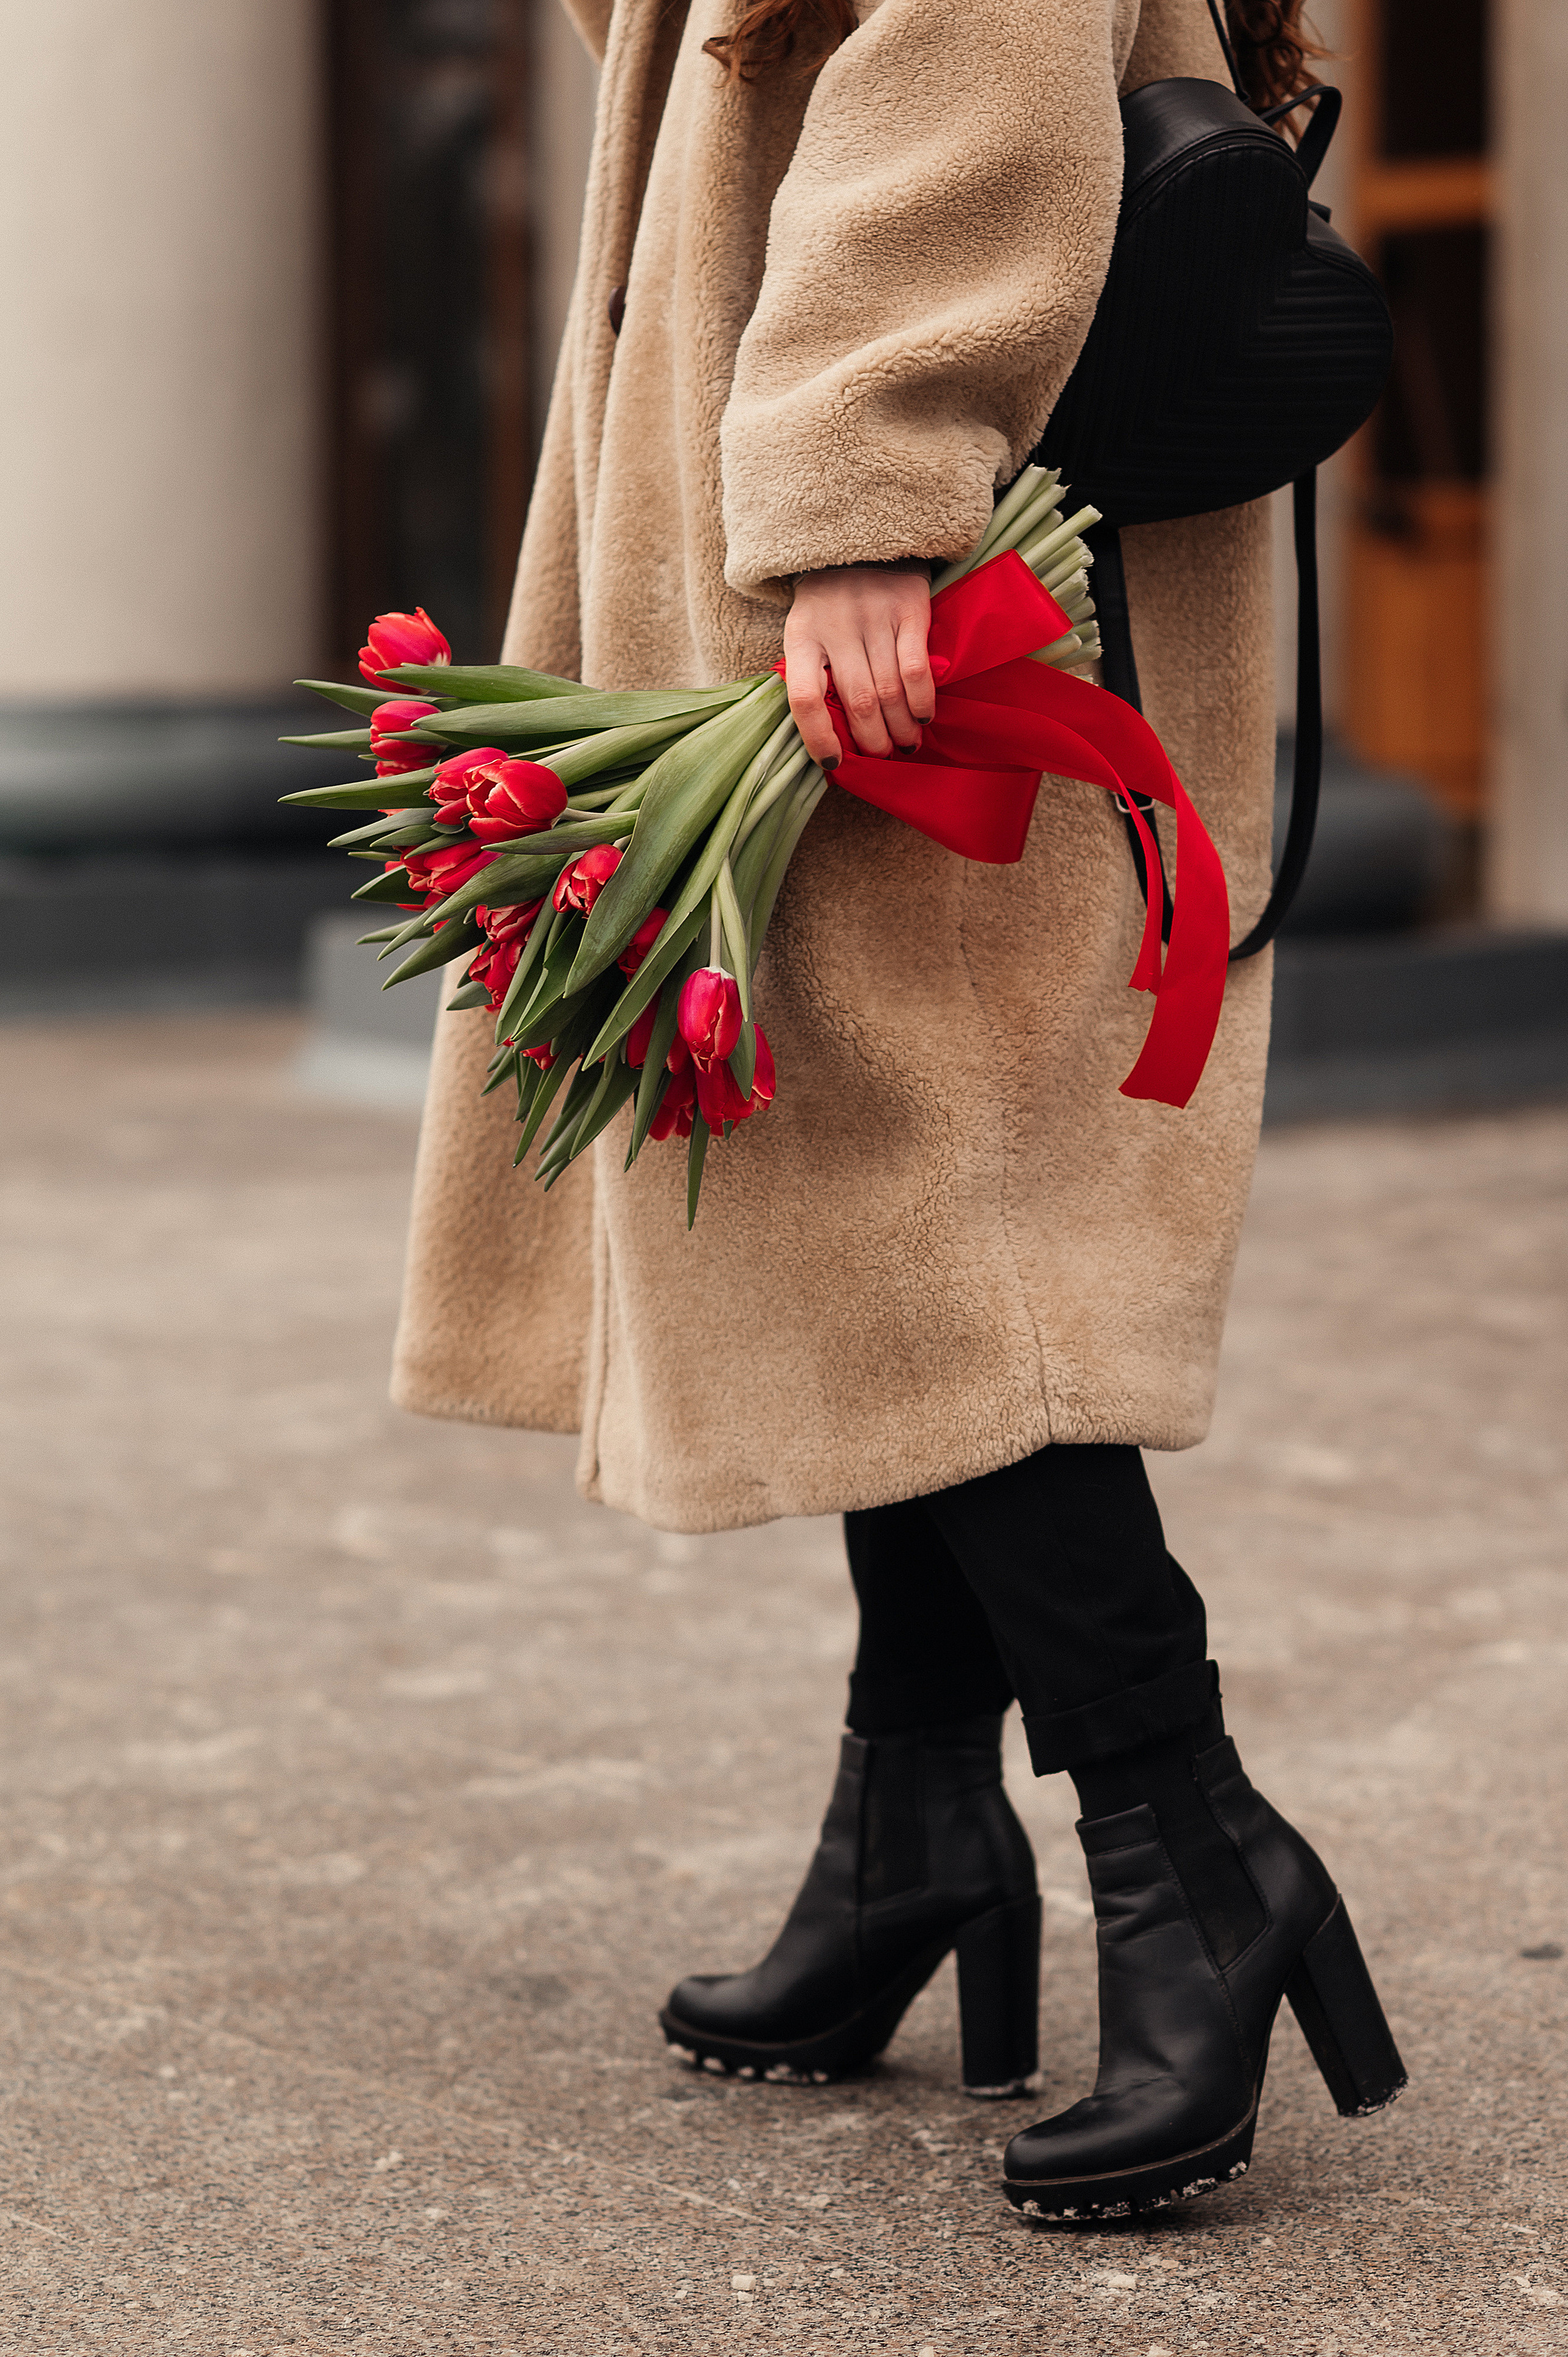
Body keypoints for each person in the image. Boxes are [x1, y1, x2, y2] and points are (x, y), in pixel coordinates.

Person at [390, 0, 1406, 2218]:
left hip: (921, 546)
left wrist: (872, 475)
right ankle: (922, 1828)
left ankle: (1192, 1845)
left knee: (947, 1207)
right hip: (809, 510)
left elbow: (970, 48)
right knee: (873, 1177)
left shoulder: (887, 479)